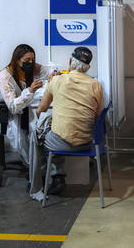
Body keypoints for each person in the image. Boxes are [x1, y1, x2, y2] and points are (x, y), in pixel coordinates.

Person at [29, 47, 104, 199]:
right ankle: (57, 176)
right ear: (88, 67)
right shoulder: (96, 85)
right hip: (88, 143)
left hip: (61, 144)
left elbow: (41, 110)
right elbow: (99, 116)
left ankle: (36, 188)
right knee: (56, 129)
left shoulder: (56, 80)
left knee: (36, 135)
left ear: (69, 62)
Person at [0, 44, 54, 165]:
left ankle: (38, 164)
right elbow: (13, 107)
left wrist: (53, 73)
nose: (31, 62)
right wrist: (30, 91)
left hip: (19, 109)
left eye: (32, 59)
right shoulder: (5, 78)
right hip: (2, 113)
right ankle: (33, 166)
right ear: (17, 60)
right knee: (29, 131)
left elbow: (46, 70)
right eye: (27, 60)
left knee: (37, 126)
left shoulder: (29, 67)